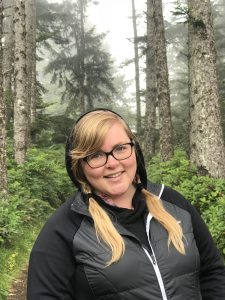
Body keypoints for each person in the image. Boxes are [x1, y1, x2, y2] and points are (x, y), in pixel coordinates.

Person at [27, 108, 225, 300]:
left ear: (135, 151)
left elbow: (213, 273)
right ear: (79, 166)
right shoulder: (64, 229)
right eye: (96, 155)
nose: (112, 162)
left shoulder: (173, 203)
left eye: (120, 148)